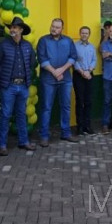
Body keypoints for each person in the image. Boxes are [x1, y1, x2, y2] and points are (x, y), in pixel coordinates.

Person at [0, 16, 38, 155]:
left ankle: (23, 141)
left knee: (21, 114)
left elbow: (32, 63)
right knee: (6, 114)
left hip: (23, 85)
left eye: (15, 27)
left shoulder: (27, 46)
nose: (12, 29)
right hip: (8, 86)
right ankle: (2, 144)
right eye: (11, 27)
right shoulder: (3, 45)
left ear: (21, 30)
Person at [37, 18, 79, 146]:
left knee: (66, 106)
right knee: (46, 108)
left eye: (57, 27)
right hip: (48, 80)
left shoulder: (68, 40)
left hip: (65, 79)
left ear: (62, 29)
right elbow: (41, 58)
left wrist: (61, 70)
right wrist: (54, 72)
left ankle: (66, 133)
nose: (54, 29)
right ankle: (44, 136)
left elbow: (73, 57)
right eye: (52, 26)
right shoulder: (43, 40)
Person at [73, 25, 97, 135]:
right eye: (82, 33)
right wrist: (82, 72)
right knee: (79, 101)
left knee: (88, 101)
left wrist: (89, 70)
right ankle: (80, 126)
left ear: (89, 35)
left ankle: (87, 126)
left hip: (90, 74)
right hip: (79, 75)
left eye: (86, 33)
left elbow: (94, 60)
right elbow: (74, 60)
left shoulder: (92, 47)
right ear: (79, 33)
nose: (84, 35)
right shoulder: (75, 46)